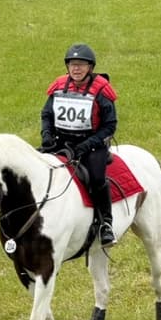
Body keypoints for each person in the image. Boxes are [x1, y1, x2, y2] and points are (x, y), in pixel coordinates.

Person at [39, 43, 118, 247]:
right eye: (73, 64)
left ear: (90, 67)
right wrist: (47, 135)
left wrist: (87, 145)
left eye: (81, 65)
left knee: (97, 178)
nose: (76, 69)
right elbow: (47, 114)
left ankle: (105, 224)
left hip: (92, 144)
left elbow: (110, 125)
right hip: (61, 141)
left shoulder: (102, 90)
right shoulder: (59, 85)